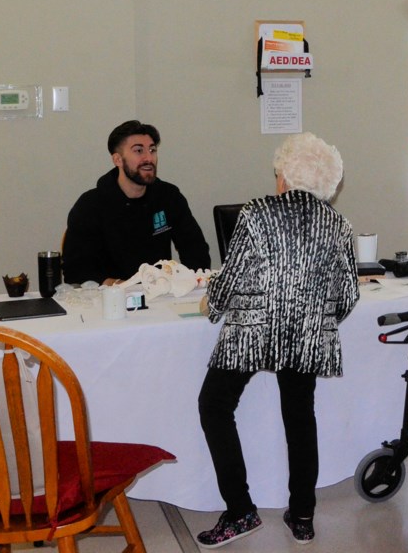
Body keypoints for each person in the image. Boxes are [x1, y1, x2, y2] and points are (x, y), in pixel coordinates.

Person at [196, 132, 360, 548]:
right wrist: (317, 319)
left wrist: (211, 305)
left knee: (214, 405)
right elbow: (349, 294)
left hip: (252, 330)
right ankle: (302, 516)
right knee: (300, 416)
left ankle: (240, 511)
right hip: (305, 336)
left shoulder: (255, 213)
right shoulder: (338, 223)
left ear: (284, 176)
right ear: (328, 182)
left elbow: (230, 279)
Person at [62, 120, 211, 286]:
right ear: (118, 159)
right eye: (139, 151)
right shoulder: (90, 205)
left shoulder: (168, 196)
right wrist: (124, 287)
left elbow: (196, 250)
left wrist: (185, 282)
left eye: (152, 150)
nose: (149, 158)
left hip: (160, 296)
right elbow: (76, 270)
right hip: (109, 299)